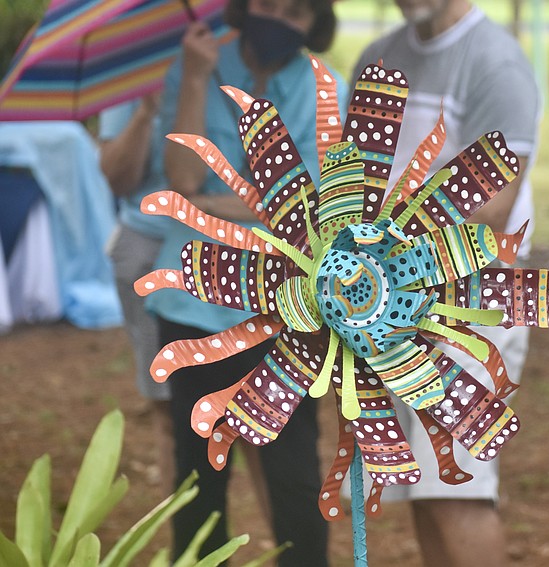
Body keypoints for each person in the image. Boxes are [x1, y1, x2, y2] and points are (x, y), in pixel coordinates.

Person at [144, 0, 348, 563]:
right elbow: (182, 181)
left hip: (286, 314)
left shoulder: (323, 85)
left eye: (297, 13)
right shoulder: (194, 65)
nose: (279, 18)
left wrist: (213, 207)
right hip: (194, 307)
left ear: (316, 25)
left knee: (295, 477)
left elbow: (310, 208)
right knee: (198, 476)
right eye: (268, 4)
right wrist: (196, 75)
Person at [350, 0, 541, 565]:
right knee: (423, 494)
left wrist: (381, 216)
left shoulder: (496, 64)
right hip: (386, 309)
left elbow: (494, 209)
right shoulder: (377, 58)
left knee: (456, 488)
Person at [99, 92, 175, 493]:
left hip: (234, 252)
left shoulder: (246, 60)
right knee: (169, 412)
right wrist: (147, 109)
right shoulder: (133, 79)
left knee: (255, 426)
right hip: (146, 253)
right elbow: (116, 178)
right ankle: (193, 549)